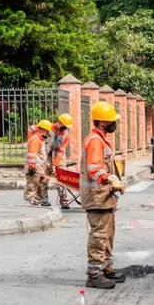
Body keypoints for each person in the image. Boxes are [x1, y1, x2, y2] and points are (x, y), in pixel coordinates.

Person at [81, 101, 126, 289]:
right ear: (102, 122)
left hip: (104, 196)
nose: (114, 123)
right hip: (97, 196)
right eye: (111, 120)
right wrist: (110, 179)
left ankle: (107, 269)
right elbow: (94, 168)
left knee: (108, 234)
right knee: (99, 236)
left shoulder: (101, 139)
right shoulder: (95, 141)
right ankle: (94, 275)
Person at [28, 114, 73, 207]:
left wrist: (55, 164)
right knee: (44, 178)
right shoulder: (48, 127)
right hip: (47, 155)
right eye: (63, 125)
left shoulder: (65, 135)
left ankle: (63, 200)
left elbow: (61, 151)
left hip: (59, 156)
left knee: (61, 179)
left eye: (66, 126)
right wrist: (31, 139)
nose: (64, 128)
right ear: (59, 122)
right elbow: (32, 128)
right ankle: (44, 200)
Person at [24, 120, 53, 206]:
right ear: (43, 130)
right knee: (32, 185)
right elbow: (32, 154)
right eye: (47, 131)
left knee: (37, 185)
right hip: (34, 168)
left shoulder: (40, 139)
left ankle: (35, 201)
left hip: (38, 168)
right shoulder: (36, 139)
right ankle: (29, 202)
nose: (48, 133)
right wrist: (32, 166)